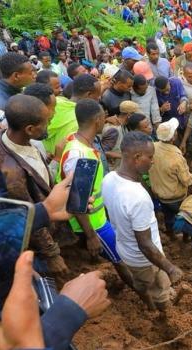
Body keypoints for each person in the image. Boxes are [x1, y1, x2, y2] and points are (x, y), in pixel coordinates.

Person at [0, 91, 70, 275]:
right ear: (29, 129)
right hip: (34, 244)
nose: (50, 125)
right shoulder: (12, 174)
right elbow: (28, 215)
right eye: (47, 123)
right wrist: (52, 255)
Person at [103, 131, 183, 313]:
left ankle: (148, 303)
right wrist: (170, 269)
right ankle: (164, 315)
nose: (153, 161)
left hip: (124, 250)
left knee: (140, 283)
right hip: (144, 260)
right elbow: (146, 244)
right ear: (137, 158)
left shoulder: (109, 179)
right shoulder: (137, 198)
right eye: (150, 157)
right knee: (161, 289)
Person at [56, 99, 133, 286]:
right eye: (104, 118)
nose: (106, 121)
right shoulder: (83, 157)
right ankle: (147, 299)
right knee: (121, 260)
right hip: (94, 223)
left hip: (95, 217)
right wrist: (91, 235)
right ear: (97, 120)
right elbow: (77, 201)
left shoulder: (73, 139)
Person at [150, 118, 192, 238]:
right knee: (184, 218)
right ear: (174, 136)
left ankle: (171, 235)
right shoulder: (176, 158)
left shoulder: (152, 148)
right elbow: (187, 180)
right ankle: (185, 238)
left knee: (168, 216)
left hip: (159, 194)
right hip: (175, 197)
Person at [43, 74, 102, 155]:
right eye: (98, 95)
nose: (99, 98)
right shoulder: (80, 121)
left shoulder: (54, 103)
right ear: (89, 94)